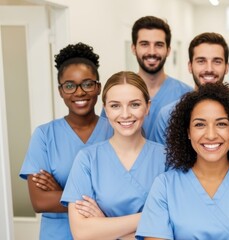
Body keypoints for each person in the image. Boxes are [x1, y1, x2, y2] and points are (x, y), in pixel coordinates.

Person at [136, 83, 229, 239]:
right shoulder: (165, 186)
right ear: (188, 132)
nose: (210, 135)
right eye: (200, 124)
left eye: (221, 124)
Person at [19, 42, 113, 239]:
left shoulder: (116, 130)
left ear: (98, 88)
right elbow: (40, 201)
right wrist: (102, 201)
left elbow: (129, 195)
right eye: (69, 86)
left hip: (106, 234)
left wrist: (62, 192)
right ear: (61, 91)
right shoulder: (44, 136)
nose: (79, 92)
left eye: (87, 83)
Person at [61, 71, 167, 239]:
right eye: (115, 105)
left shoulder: (167, 159)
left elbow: (174, 226)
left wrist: (104, 224)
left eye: (134, 104)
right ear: (105, 109)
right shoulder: (87, 159)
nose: (125, 114)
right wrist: (149, 217)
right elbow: (81, 233)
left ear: (148, 107)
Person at [102, 16, 192, 139]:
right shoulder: (116, 93)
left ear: (168, 50)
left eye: (159, 45)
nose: (152, 52)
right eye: (144, 44)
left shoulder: (186, 95)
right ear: (133, 48)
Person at [150, 32, 229, 144]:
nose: (209, 69)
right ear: (190, 66)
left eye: (217, 61)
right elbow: (159, 159)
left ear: (226, 67)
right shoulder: (168, 116)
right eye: (201, 61)